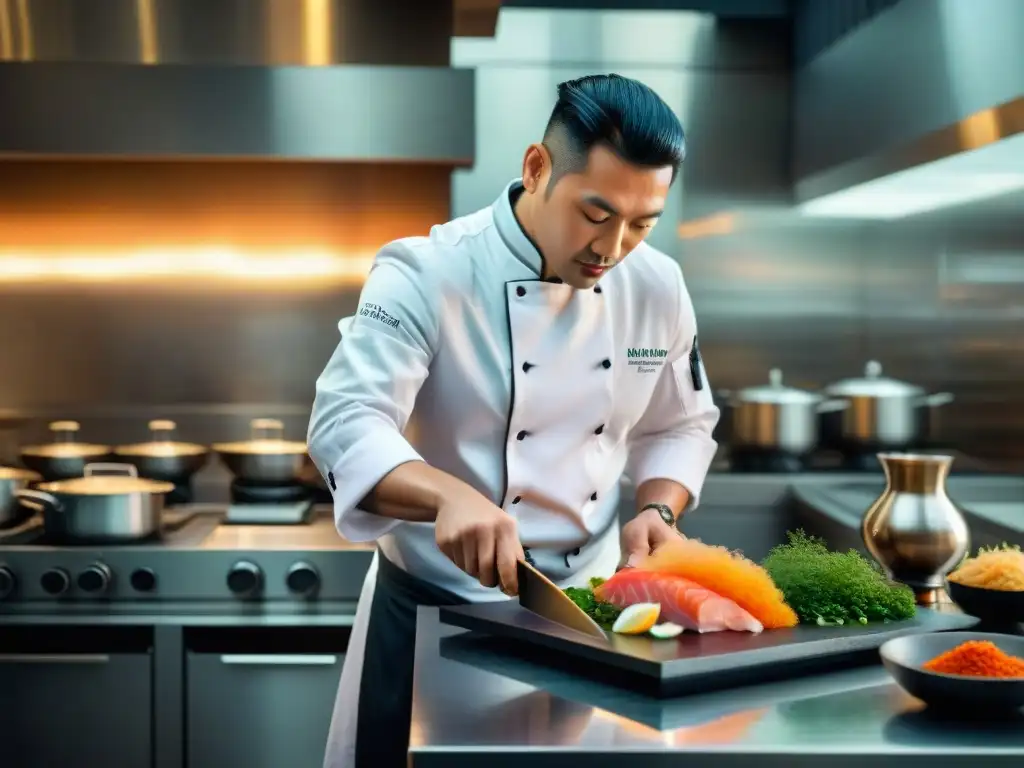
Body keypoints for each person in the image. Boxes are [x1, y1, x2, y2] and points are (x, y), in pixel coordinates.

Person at [308, 73, 720, 767]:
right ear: (536, 168)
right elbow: (346, 423)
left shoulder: (657, 285)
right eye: (596, 214)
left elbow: (681, 423)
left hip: (589, 619)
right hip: (438, 617)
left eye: (642, 223)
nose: (613, 247)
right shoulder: (427, 273)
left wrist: (661, 512)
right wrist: (447, 496)